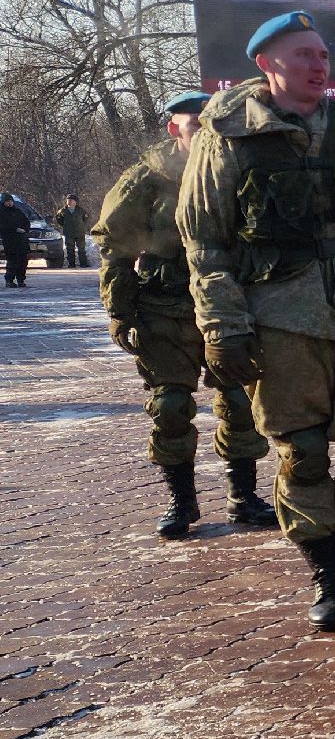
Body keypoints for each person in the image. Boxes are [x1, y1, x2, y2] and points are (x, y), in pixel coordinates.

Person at [180, 10, 335, 632]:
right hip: (278, 319)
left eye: (323, 55)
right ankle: (327, 578)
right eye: (304, 54)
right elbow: (204, 241)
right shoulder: (227, 135)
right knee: (301, 453)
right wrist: (222, 324)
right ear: (266, 64)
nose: (319, 65)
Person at [94, 91, 272, 538]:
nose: (204, 134)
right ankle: (182, 501)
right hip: (163, 310)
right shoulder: (146, 179)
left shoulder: (236, 170)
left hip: (226, 308)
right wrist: (120, 311)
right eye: (195, 126)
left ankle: (244, 497)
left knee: (239, 404)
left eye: (211, 125)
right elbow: (115, 249)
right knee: (171, 406)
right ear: (174, 128)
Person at [0, 195, 30, 287]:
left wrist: (25, 230)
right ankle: (9, 280)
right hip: (10, 240)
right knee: (13, 261)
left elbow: (26, 222)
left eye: (11, 201)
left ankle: (21, 279)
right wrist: (15, 229)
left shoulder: (18, 211)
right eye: (7, 201)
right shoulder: (2, 213)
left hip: (22, 240)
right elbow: (3, 226)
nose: (10, 203)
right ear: (3, 202)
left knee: (23, 261)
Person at [54, 194, 90, 269]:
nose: (69, 201)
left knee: (81, 249)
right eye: (68, 200)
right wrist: (66, 225)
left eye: (71, 200)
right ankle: (71, 264)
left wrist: (81, 226)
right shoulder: (62, 211)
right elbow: (59, 219)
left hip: (79, 232)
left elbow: (85, 219)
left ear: (75, 202)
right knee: (70, 249)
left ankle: (83, 263)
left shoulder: (80, 210)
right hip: (68, 233)